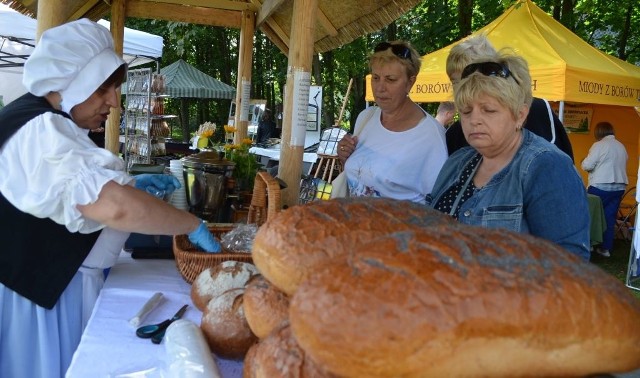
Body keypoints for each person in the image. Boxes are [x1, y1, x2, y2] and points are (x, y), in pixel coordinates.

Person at [0, 19, 221, 378]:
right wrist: (190, 224)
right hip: (36, 305)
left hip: (54, 292)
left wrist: (130, 185)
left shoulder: (49, 124)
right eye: (104, 89)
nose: (114, 102)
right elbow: (114, 206)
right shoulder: (39, 129)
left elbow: (73, 195)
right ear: (73, 80)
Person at [425, 52, 590, 261]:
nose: (474, 120)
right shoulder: (458, 161)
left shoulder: (546, 166)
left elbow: (567, 266)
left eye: (489, 110)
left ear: (520, 115)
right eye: (466, 111)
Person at [336, 40, 448, 203]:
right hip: (355, 224)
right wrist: (345, 156)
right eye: (375, 78)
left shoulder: (430, 136)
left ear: (410, 82)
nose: (380, 88)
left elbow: (440, 203)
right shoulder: (366, 117)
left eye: (390, 79)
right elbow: (361, 175)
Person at [444, 35, 575, 162]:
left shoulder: (536, 109)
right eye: (455, 82)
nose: (463, 87)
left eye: (469, 78)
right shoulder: (455, 135)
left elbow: (557, 162)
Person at [581, 121, 629, 257]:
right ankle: (605, 248)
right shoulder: (621, 146)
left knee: (590, 215)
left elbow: (587, 165)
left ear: (598, 132)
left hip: (600, 186)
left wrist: (582, 161)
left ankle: (589, 244)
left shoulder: (599, 145)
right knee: (609, 217)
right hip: (619, 186)